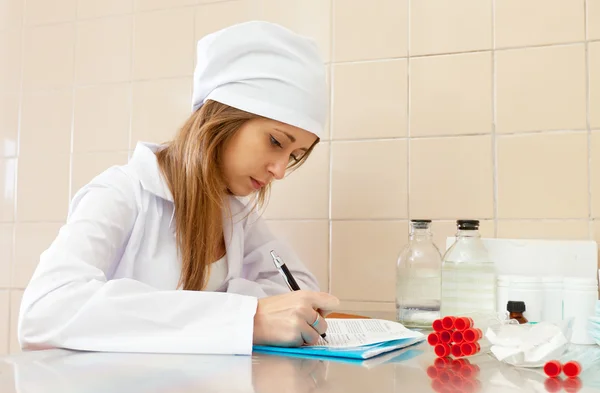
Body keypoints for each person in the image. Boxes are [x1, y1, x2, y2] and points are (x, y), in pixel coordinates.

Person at [17, 21, 340, 355]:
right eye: (275, 141)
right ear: (221, 118)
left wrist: (239, 311)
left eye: (294, 155)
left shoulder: (237, 215)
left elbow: (301, 293)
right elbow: (45, 311)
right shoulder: (122, 192)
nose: (281, 170)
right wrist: (246, 318)